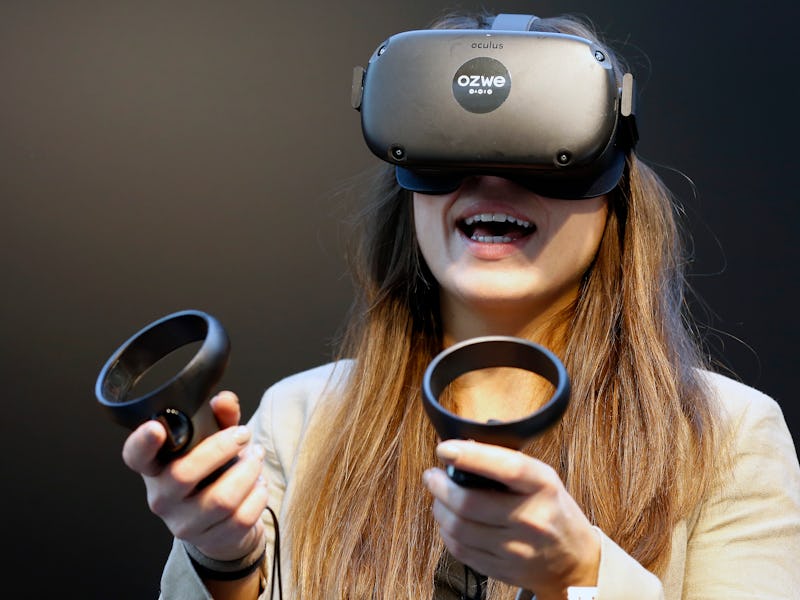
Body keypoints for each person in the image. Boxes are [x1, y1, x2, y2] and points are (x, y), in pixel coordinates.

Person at [121, 9, 800, 600]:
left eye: (541, 157)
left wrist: (579, 576)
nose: (491, 183)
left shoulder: (725, 439)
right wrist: (220, 556)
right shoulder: (302, 422)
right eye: (450, 155)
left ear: (610, 192)